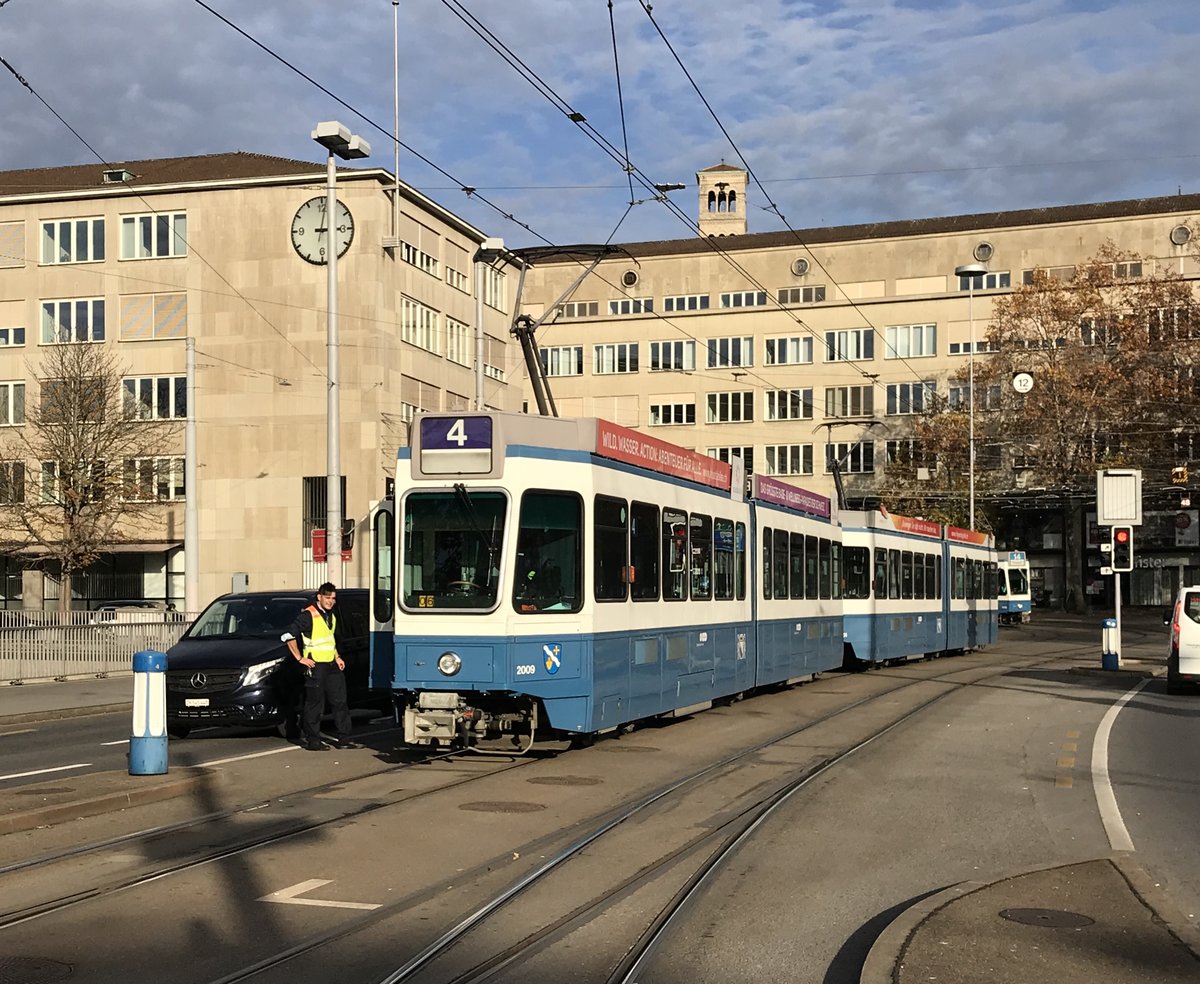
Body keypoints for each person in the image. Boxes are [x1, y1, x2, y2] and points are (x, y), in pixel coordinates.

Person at [282, 582, 356, 751]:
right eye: (328, 598)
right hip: (316, 665)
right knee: (315, 703)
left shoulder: (330, 615)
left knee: (340, 701)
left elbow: (329, 639)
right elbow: (288, 636)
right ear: (319, 597)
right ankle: (313, 740)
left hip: (331, 664)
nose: (331, 601)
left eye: (333, 598)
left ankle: (344, 738)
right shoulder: (308, 616)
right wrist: (300, 658)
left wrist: (337, 656)